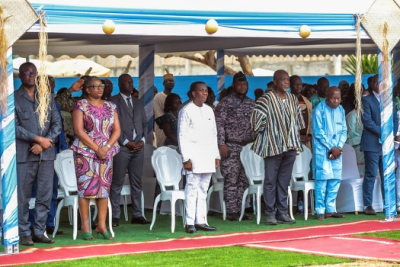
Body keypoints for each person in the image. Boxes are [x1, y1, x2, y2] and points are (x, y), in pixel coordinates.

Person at [15, 62, 62, 246]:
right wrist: (36, 138)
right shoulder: (13, 98)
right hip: (24, 155)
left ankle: (39, 231)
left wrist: (43, 143)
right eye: (27, 72)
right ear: (20, 75)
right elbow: (13, 127)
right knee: (23, 197)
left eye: (34, 72)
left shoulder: (47, 97)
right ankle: (24, 232)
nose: (31, 75)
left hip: (46, 155)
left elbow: (57, 124)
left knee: (44, 195)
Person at [251, 69, 305, 225]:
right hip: (272, 146)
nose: (286, 82)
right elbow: (256, 124)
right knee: (270, 181)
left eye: (288, 79)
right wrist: (271, 132)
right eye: (283, 80)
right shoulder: (265, 100)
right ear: (275, 82)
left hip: (290, 146)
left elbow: (299, 122)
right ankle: (270, 213)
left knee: (284, 181)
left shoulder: (292, 99)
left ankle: (282, 212)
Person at [72, 76, 121, 240]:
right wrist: (97, 148)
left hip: (106, 153)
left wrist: (106, 147)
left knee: (104, 189)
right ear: (87, 89)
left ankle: (101, 224)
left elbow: (117, 130)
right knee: (86, 189)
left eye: (101, 86)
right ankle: (85, 226)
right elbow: (79, 131)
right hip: (85, 152)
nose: (100, 89)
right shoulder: (80, 105)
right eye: (95, 86)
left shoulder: (111, 106)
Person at [178, 81, 220, 233]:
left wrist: (216, 155)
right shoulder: (186, 110)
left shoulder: (209, 110)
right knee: (192, 188)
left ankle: (201, 220)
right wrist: (185, 159)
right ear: (193, 93)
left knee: (203, 189)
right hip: (193, 157)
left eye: (206, 91)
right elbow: (182, 136)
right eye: (201, 91)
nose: (204, 93)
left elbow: (214, 134)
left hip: (208, 155)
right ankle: (190, 222)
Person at [109, 74, 150, 227]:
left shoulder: (138, 102)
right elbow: (112, 126)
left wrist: (143, 141)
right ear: (119, 84)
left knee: (137, 182)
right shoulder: (113, 101)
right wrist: (126, 142)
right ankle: (114, 216)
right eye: (126, 82)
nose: (130, 84)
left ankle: (138, 214)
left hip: (138, 148)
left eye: (131, 81)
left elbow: (145, 123)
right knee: (117, 182)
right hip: (121, 147)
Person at [215, 71, 256, 221]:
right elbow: (219, 125)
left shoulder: (252, 103)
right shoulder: (225, 103)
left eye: (244, 84)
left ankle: (241, 209)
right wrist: (221, 144)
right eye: (239, 84)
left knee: (244, 180)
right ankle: (232, 211)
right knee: (231, 179)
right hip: (231, 146)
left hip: (248, 148)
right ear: (233, 85)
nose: (242, 86)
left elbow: (256, 126)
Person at [361, 74, 398, 215]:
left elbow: (395, 119)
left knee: (387, 174)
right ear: (372, 84)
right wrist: (383, 132)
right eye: (376, 82)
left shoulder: (390, 100)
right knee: (370, 174)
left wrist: (390, 134)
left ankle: (388, 204)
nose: (379, 85)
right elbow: (367, 121)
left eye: (381, 82)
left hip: (387, 144)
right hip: (372, 143)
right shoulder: (366, 100)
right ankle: (367, 205)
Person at [312, 87, 347, 220]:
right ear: (327, 96)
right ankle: (320, 210)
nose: (336, 101)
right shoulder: (319, 110)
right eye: (333, 98)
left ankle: (331, 209)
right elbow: (318, 132)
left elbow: (344, 130)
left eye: (338, 98)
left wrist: (338, 147)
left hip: (337, 151)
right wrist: (331, 147)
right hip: (323, 151)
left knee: (335, 180)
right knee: (322, 180)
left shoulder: (341, 110)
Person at [290, 75, 312, 149]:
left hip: (306, 141)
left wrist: (309, 135)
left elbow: (310, 120)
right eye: (296, 84)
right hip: (292, 141)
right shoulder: (285, 101)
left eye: (300, 84)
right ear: (290, 85)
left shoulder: (307, 101)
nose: (298, 86)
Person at [154, 73, 175, 147]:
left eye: (172, 81)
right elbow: (158, 114)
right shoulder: (158, 97)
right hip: (162, 129)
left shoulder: (174, 97)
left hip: (173, 129)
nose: (171, 83)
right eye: (168, 81)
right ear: (164, 83)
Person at [346, 108, 364, 178]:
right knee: (358, 166)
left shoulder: (363, 113)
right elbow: (351, 132)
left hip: (363, 143)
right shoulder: (353, 114)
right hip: (356, 144)